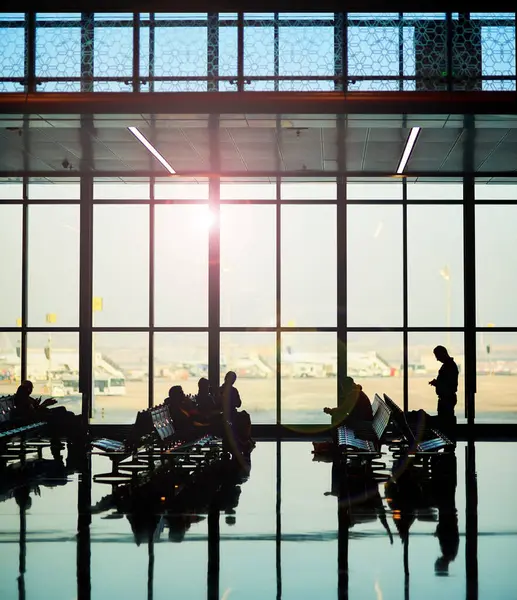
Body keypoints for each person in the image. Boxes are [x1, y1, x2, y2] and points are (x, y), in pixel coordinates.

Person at [429, 346, 458, 419]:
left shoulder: (449, 366)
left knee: (445, 421)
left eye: (437, 356)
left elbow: (448, 384)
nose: (437, 359)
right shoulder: (450, 365)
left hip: (446, 399)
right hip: (447, 398)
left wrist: (437, 383)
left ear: (443, 354)